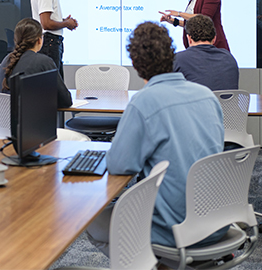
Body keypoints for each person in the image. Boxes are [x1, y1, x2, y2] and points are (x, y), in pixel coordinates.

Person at [86, 22, 226, 254]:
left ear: (136, 65)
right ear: (172, 54)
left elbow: (120, 166)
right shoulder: (207, 96)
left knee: (94, 223)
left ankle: (156, 262)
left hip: (172, 230)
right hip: (216, 222)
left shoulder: (143, 102)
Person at [0, 18, 72, 108]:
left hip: (1, 121)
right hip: (30, 121)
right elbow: (66, 100)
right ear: (39, 40)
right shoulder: (44, 61)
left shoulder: (6, 60)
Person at [174, 14, 239, 91]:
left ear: (189, 39)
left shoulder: (178, 59)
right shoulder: (229, 57)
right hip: (225, 103)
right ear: (214, 39)